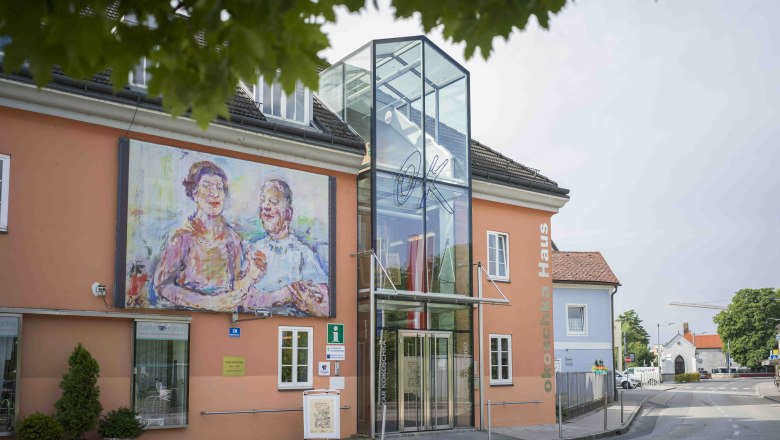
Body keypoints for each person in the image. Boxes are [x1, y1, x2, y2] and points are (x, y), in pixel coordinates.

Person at [153, 161, 264, 311]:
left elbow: (235, 287)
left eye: (219, 188)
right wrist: (208, 303)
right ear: (194, 193)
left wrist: (251, 274)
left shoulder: (232, 238)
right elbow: (162, 285)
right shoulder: (183, 237)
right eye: (206, 186)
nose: (215, 193)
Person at [244, 178, 329, 316]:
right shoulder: (253, 250)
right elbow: (242, 300)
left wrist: (311, 302)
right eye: (263, 201)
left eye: (273, 202)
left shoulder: (303, 254)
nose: (265, 206)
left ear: (288, 213)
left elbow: (325, 306)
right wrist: (284, 294)